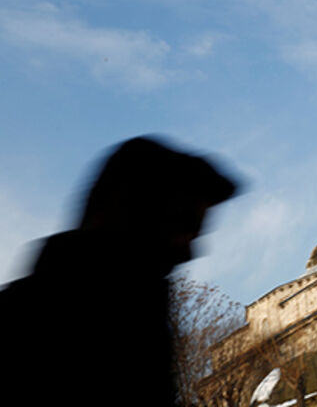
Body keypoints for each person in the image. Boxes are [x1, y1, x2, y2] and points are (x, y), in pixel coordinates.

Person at [0, 136, 238, 404]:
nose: (189, 252)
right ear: (128, 211)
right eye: (182, 225)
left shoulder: (139, 321)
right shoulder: (34, 322)